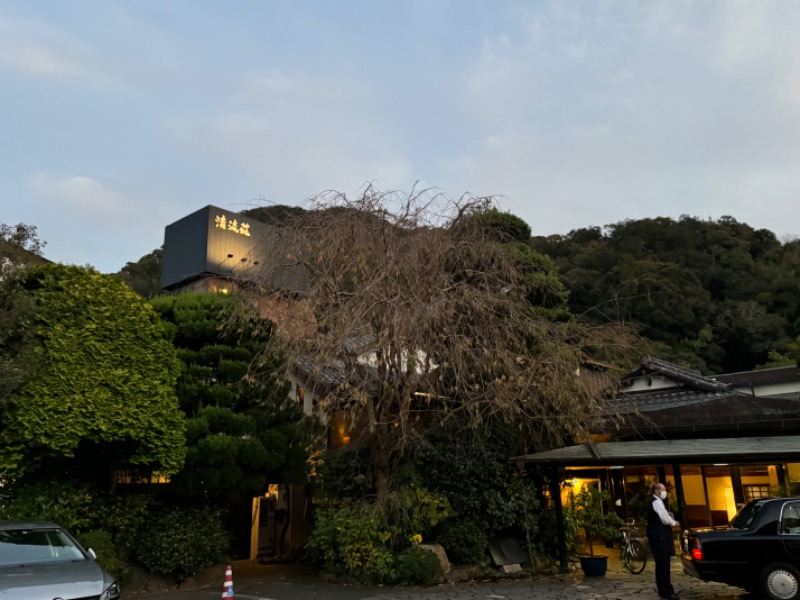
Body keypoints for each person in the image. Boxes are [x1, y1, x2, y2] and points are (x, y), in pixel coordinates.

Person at [647, 482, 680, 600]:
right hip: (659, 537)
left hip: (657, 536)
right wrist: (674, 523)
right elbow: (665, 519)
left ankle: (663, 589)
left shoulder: (656, 502)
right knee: (663, 565)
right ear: (657, 491)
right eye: (663, 490)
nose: (665, 492)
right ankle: (667, 591)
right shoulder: (656, 502)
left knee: (661, 565)